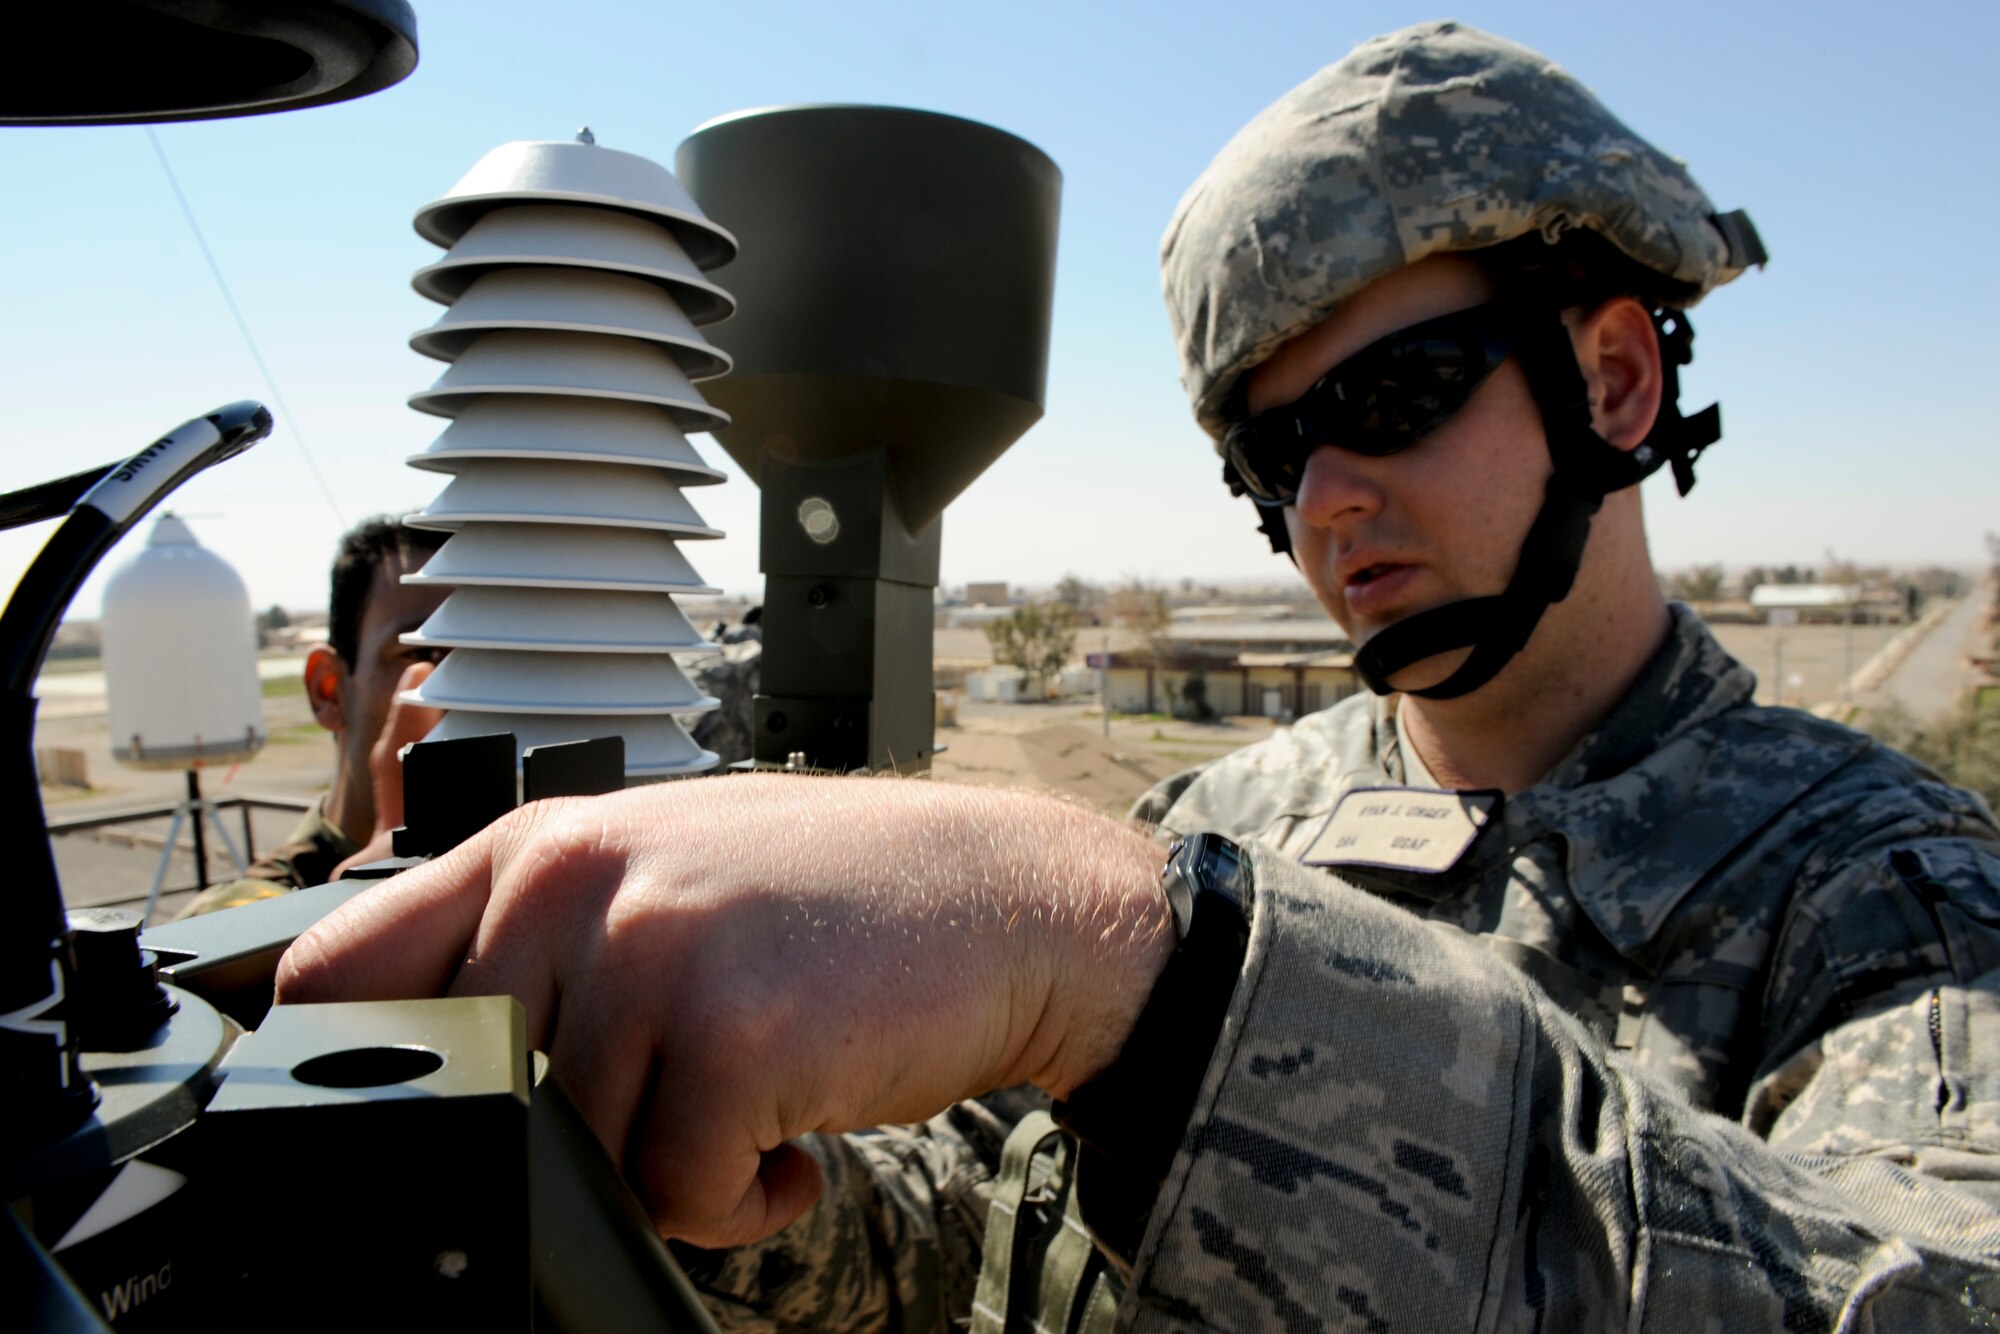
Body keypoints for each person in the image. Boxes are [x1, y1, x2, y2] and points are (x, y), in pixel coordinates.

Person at [274, 22, 2000, 1329]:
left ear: (1616, 381)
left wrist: (1152, 982)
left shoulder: (1885, 893)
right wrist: (670, 1137)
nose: (1328, 498)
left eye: (1393, 397)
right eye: (1272, 453)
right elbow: (963, 1214)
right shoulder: (1243, 815)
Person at [179, 516, 446, 914]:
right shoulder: (262, 908)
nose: (466, 685)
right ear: (329, 690)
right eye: (423, 653)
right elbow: (204, 946)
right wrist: (359, 905)